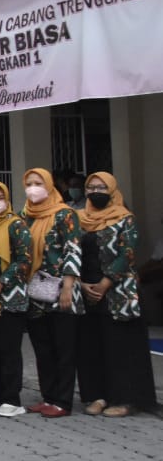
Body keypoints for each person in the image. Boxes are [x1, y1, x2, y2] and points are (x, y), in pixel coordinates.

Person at [77, 172, 158, 417]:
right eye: (91, 187)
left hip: (118, 293)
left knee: (119, 347)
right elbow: (69, 251)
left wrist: (105, 282)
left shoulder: (125, 219)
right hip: (86, 291)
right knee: (91, 345)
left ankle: (124, 398)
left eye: (101, 187)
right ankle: (97, 395)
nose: (95, 191)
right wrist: (81, 284)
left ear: (112, 190)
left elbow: (128, 253)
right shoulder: (79, 218)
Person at [21, 167, 83, 417]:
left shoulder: (65, 214)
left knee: (63, 348)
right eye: (29, 183)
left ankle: (63, 401)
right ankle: (48, 397)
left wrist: (68, 287)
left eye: (39, 183)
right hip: (35, 292)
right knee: (43, 347)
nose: (33, 188)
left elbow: (73, 250)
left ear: (50, 186)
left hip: (60, 290)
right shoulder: (25, 215)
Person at [0, 181, 32, 418]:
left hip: (10, 298)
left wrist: (2, 282)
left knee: (9, 350)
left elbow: (24, 260)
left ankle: (13, 398)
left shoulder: (16, 225)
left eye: (0, 196)